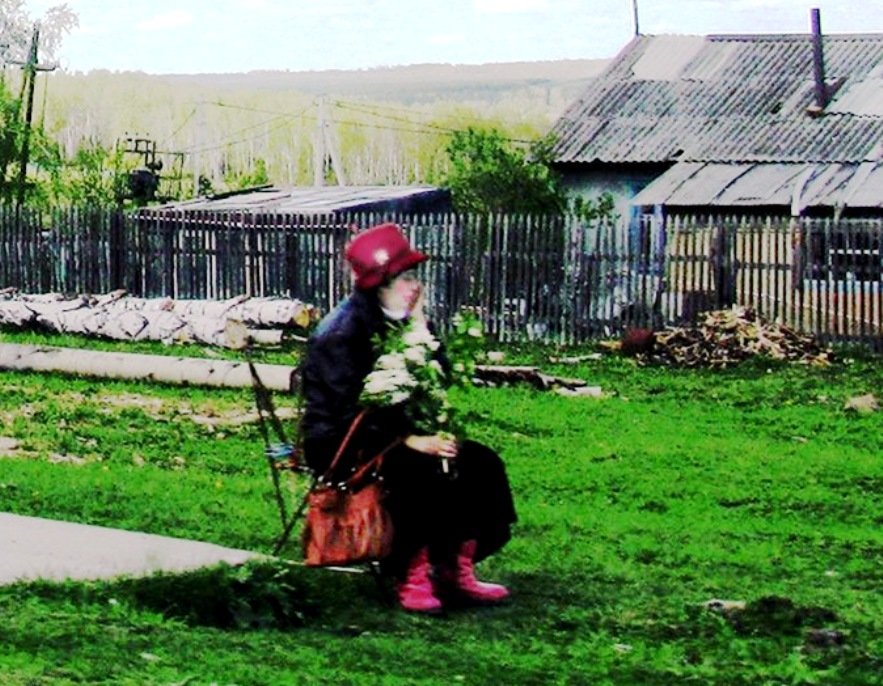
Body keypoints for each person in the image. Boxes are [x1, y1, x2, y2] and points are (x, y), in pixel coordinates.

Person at [301, 222, 517, 614]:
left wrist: (419, 326)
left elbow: (439, 378)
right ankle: (410, 574)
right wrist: (407, 439)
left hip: (402, 431)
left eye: (414, 275)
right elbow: (345, 409)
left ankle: (455, 568)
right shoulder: (341, 332)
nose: (413, 286)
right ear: (378, 284)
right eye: (403, 278)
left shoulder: (405, 319)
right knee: (417, 471)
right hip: (342, 440)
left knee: (480, 463)